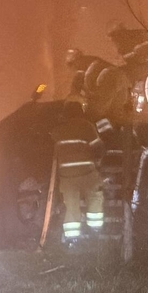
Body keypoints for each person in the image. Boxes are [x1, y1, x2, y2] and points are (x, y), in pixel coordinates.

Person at [50, 98, 106, 244]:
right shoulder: (86, 126)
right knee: (94, 197)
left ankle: (72, 239)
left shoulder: (57, 130)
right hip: (87, 172)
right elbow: (98, 147)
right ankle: (95, 232)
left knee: (70, 206)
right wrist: (98, 162)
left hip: (66, 177)